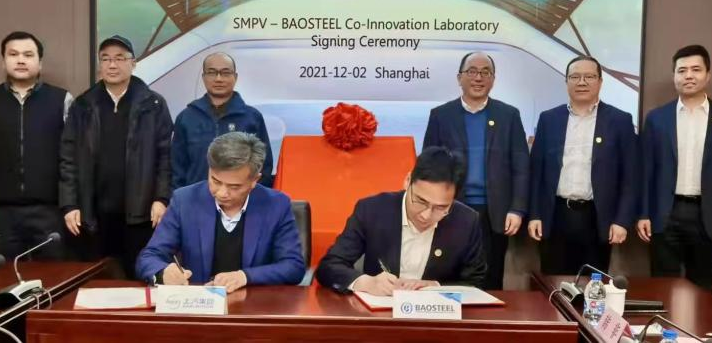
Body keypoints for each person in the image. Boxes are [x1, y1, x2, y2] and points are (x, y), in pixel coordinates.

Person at [59, 35, 173, 279]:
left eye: (120, 58)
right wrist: (70, 205)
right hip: (94, 215)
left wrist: (161, 198)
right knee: (97, 281)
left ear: (133, 63)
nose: (112, 65)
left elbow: (165, 156)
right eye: (106, 59)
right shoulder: (83, 105)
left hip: (140, 214)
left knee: (139, 278)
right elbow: (68, 158)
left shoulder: (153, 104)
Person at [637, 45, 712, 291]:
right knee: (662, 286)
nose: (688, 76)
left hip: (707, 215)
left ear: (707, 75)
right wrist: (643, 214)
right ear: (674, 76)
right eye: (682, 70)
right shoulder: (656, 118)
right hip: (665, 214)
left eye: (696, 69)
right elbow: (646, 172)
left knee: (702, 287)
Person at [137, 132, 304, 290]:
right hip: (199, 303)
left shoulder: (276, 205)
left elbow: (293, 266)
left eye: (234, 187)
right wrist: (163, 273)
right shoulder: (185, 201)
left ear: (255, 180)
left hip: (253, 304)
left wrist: (245, 276)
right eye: (215, 181)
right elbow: (149, 257)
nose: (222, 193)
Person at [422, 52, 529, 289]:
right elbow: (429, 166)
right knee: (450, 277)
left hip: (495, 212)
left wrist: (517, 209)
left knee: (491, 279)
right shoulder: (441, 115)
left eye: (485, 72)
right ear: (459, 77)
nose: (478, 78)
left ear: (493, 79)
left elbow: (521, 166)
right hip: (451, 209)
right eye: (472, 71)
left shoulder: (509, 115)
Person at [315, 147, 486, 295]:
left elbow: (477, 282)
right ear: (408, 181)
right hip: (380, 316)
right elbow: (329, 266)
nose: (426, 215)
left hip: (437, 318)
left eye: (440, 208)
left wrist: (436, 287)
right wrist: (366, 283)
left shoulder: (466, 221)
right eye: (420, 201)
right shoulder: (372, 210)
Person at [0, 31, 71, 260]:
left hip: (50, 210)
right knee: (2, 277)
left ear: (40, 63)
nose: (20, 60)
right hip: (1, 212)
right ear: (3, 61)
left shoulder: (62, 99)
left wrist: (70, 203)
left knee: (54, 275)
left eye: (28, 55)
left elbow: (72, 156)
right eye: (13, 54)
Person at [527, 56, 637, 274]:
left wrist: (621, 221)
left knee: (593, 287)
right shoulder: (549, 119)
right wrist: (535, 215)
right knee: (553, 283)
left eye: (589, 77)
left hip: (597, 217)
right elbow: (536, 172)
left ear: (600, 81)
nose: (582, 82)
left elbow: (630, 177)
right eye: (575, 77)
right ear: (566, 81)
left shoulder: (620, 120)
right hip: (555, 215)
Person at [171, 52, 273, 189]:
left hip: (241, 198)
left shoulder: (252, 117)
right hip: (196, 198)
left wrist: (251, 196)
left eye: (225, 73)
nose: (218, 79)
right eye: (212, 73)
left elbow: (264, 166)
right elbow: (176, 168)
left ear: (235, 77)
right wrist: (181, 197)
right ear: (203, 77)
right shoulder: (186, 117)